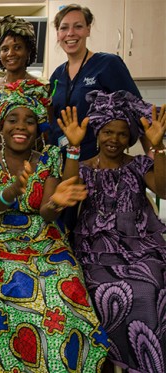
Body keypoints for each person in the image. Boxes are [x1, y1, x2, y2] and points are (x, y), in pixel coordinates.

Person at [0, 80, 109, 372]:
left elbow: (46, 212)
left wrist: (58, 196)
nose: (21, 127)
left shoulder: (48, 160)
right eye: (12, 120)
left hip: (45, 239)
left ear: (38, 127)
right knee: (22, 295)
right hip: (1, 240)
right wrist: (11, 192)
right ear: (0, 125)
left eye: (30, 121)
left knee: (64, 285)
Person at [58, 90, 166, 371]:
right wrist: (73, 147)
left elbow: (164, 190)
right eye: (107, 132)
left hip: (141, 247)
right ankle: (109, 361)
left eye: (121, 134)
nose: (114, 140)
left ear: (129, 137)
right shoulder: (84, 168)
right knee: (102, 290)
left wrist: (159, 146)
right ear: (98, 132)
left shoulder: (139, 165)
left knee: (152, 287)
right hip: (96, 250)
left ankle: (147, 362)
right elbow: (69, 191)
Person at [49, 4, 141, 161]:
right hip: (62, 161)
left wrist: (153, 153)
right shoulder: (57, 75)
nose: (70, 33)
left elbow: (138, 110)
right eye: (64, 28)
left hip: (97, 163)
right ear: (58, 33)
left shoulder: (108, 64)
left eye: (78, 26)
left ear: (88, 30)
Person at [0, 15, 49, 152]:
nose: (10, 53)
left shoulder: (42, 87)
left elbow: (47, 132)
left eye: (17, 47)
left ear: (28, 51)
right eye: (5, 49)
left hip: (32, 163)